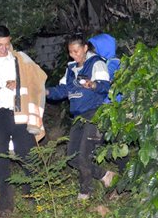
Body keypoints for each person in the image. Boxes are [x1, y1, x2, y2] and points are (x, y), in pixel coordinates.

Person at [0, 25, 46, 218]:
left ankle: (33, 196)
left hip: (19, 112)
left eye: (6, 44)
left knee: (27, 154)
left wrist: (19, 83)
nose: (3, 49)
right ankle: (5, 203)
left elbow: (40, 78)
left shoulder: (20, 59)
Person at [46, 34, 114, 200]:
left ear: (85, 48)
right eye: (70, 52)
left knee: (84, 155)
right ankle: (105, 175)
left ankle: (85, 192)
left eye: (76, 51)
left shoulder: (96, 63)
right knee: (72, 157)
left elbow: (106, 86)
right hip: (78, 116)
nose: (73, 55)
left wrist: (93, 84)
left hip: (95, 113)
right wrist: (45, 92)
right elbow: (62, 90)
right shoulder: (70, 69)